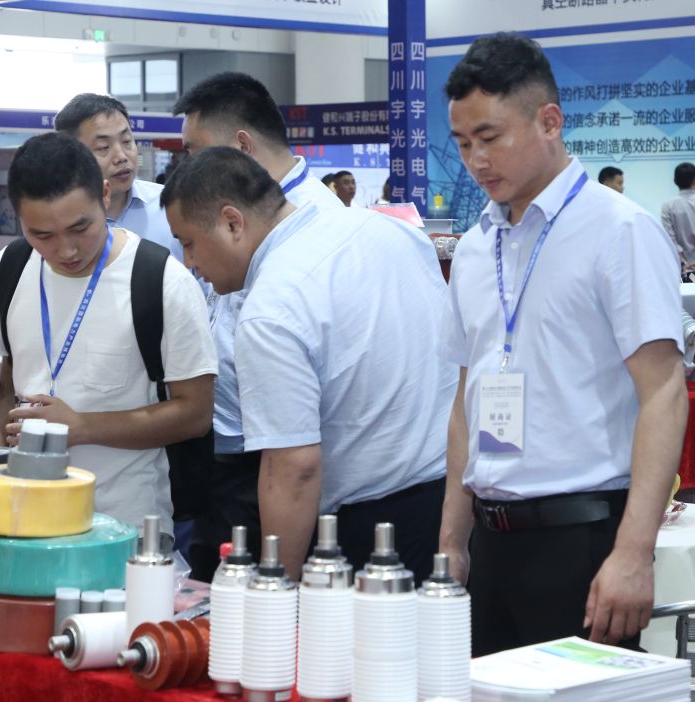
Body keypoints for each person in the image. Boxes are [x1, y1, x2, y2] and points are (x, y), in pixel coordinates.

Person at [439, 32, 686, 657]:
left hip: (581, 541)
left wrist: (633, 553)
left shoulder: (619, 231)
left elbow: (663, 392)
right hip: (490, 541)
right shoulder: (474, 248)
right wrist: (451, 544)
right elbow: (466, 401)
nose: (476, 160)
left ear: (549, 121)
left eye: (490, 137)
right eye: (463, 143)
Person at [161, 147, 457, 583]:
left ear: (232, 223)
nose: (190, 264)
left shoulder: (270, 310)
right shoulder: (383, 228)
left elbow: (293, 468)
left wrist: (279, 586)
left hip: (371, 529)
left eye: (189, 243)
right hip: (454, 501)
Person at [0, 133, 217, 539]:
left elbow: (195, 413)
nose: (66, 250)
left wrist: (81, 426)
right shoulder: (8, 269)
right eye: (42, 235)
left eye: (79, 227)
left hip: (127, 529)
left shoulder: (160, 280)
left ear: (104, 195)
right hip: (23, 520)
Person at [173, 71, 343, 580]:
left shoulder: (315, 223)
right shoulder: (231, 212)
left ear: (242, 147)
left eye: (194, 152)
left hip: (271, 453)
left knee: (257, 601)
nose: (188, 167)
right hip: (224, 445)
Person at [55, 93, 183, 262]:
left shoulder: (171, 205)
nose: (121, 157)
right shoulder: (55, 218)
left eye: (127, 141)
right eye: (103, 147)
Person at [661, 162, 695, 270]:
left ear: (675, 181)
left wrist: (684, 263)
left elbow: (670, 239)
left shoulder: (668, 206)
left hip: (682, 267)